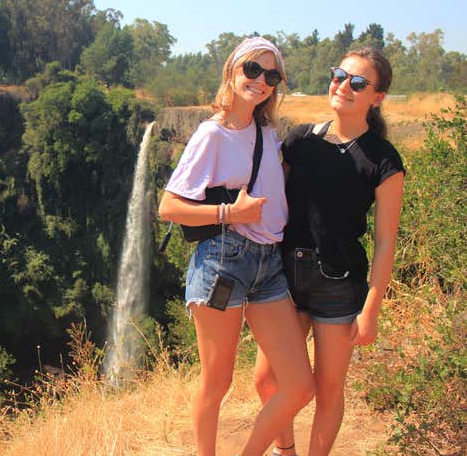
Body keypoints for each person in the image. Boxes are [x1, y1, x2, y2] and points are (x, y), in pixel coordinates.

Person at [159, 37, 315, 456]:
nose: (261, 80)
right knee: (217, 382)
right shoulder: (212, 134)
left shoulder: (265, 130)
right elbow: (169, 206)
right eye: (252, 69)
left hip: (268, 265)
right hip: (224, 262)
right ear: (231, 71)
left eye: (271, 75)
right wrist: (231, 212)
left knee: (300, 384)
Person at [252, 47, 405, 456]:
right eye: (340, 76)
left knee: (327, 389)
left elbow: (385, 241)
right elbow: (268, 200)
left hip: (338, 282)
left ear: (378, 97)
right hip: (282, 278)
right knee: (266, 379)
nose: (344, 86)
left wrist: (371, 308)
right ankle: (286, 449)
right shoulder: (300, 140)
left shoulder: (384, 160)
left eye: (358, 82)